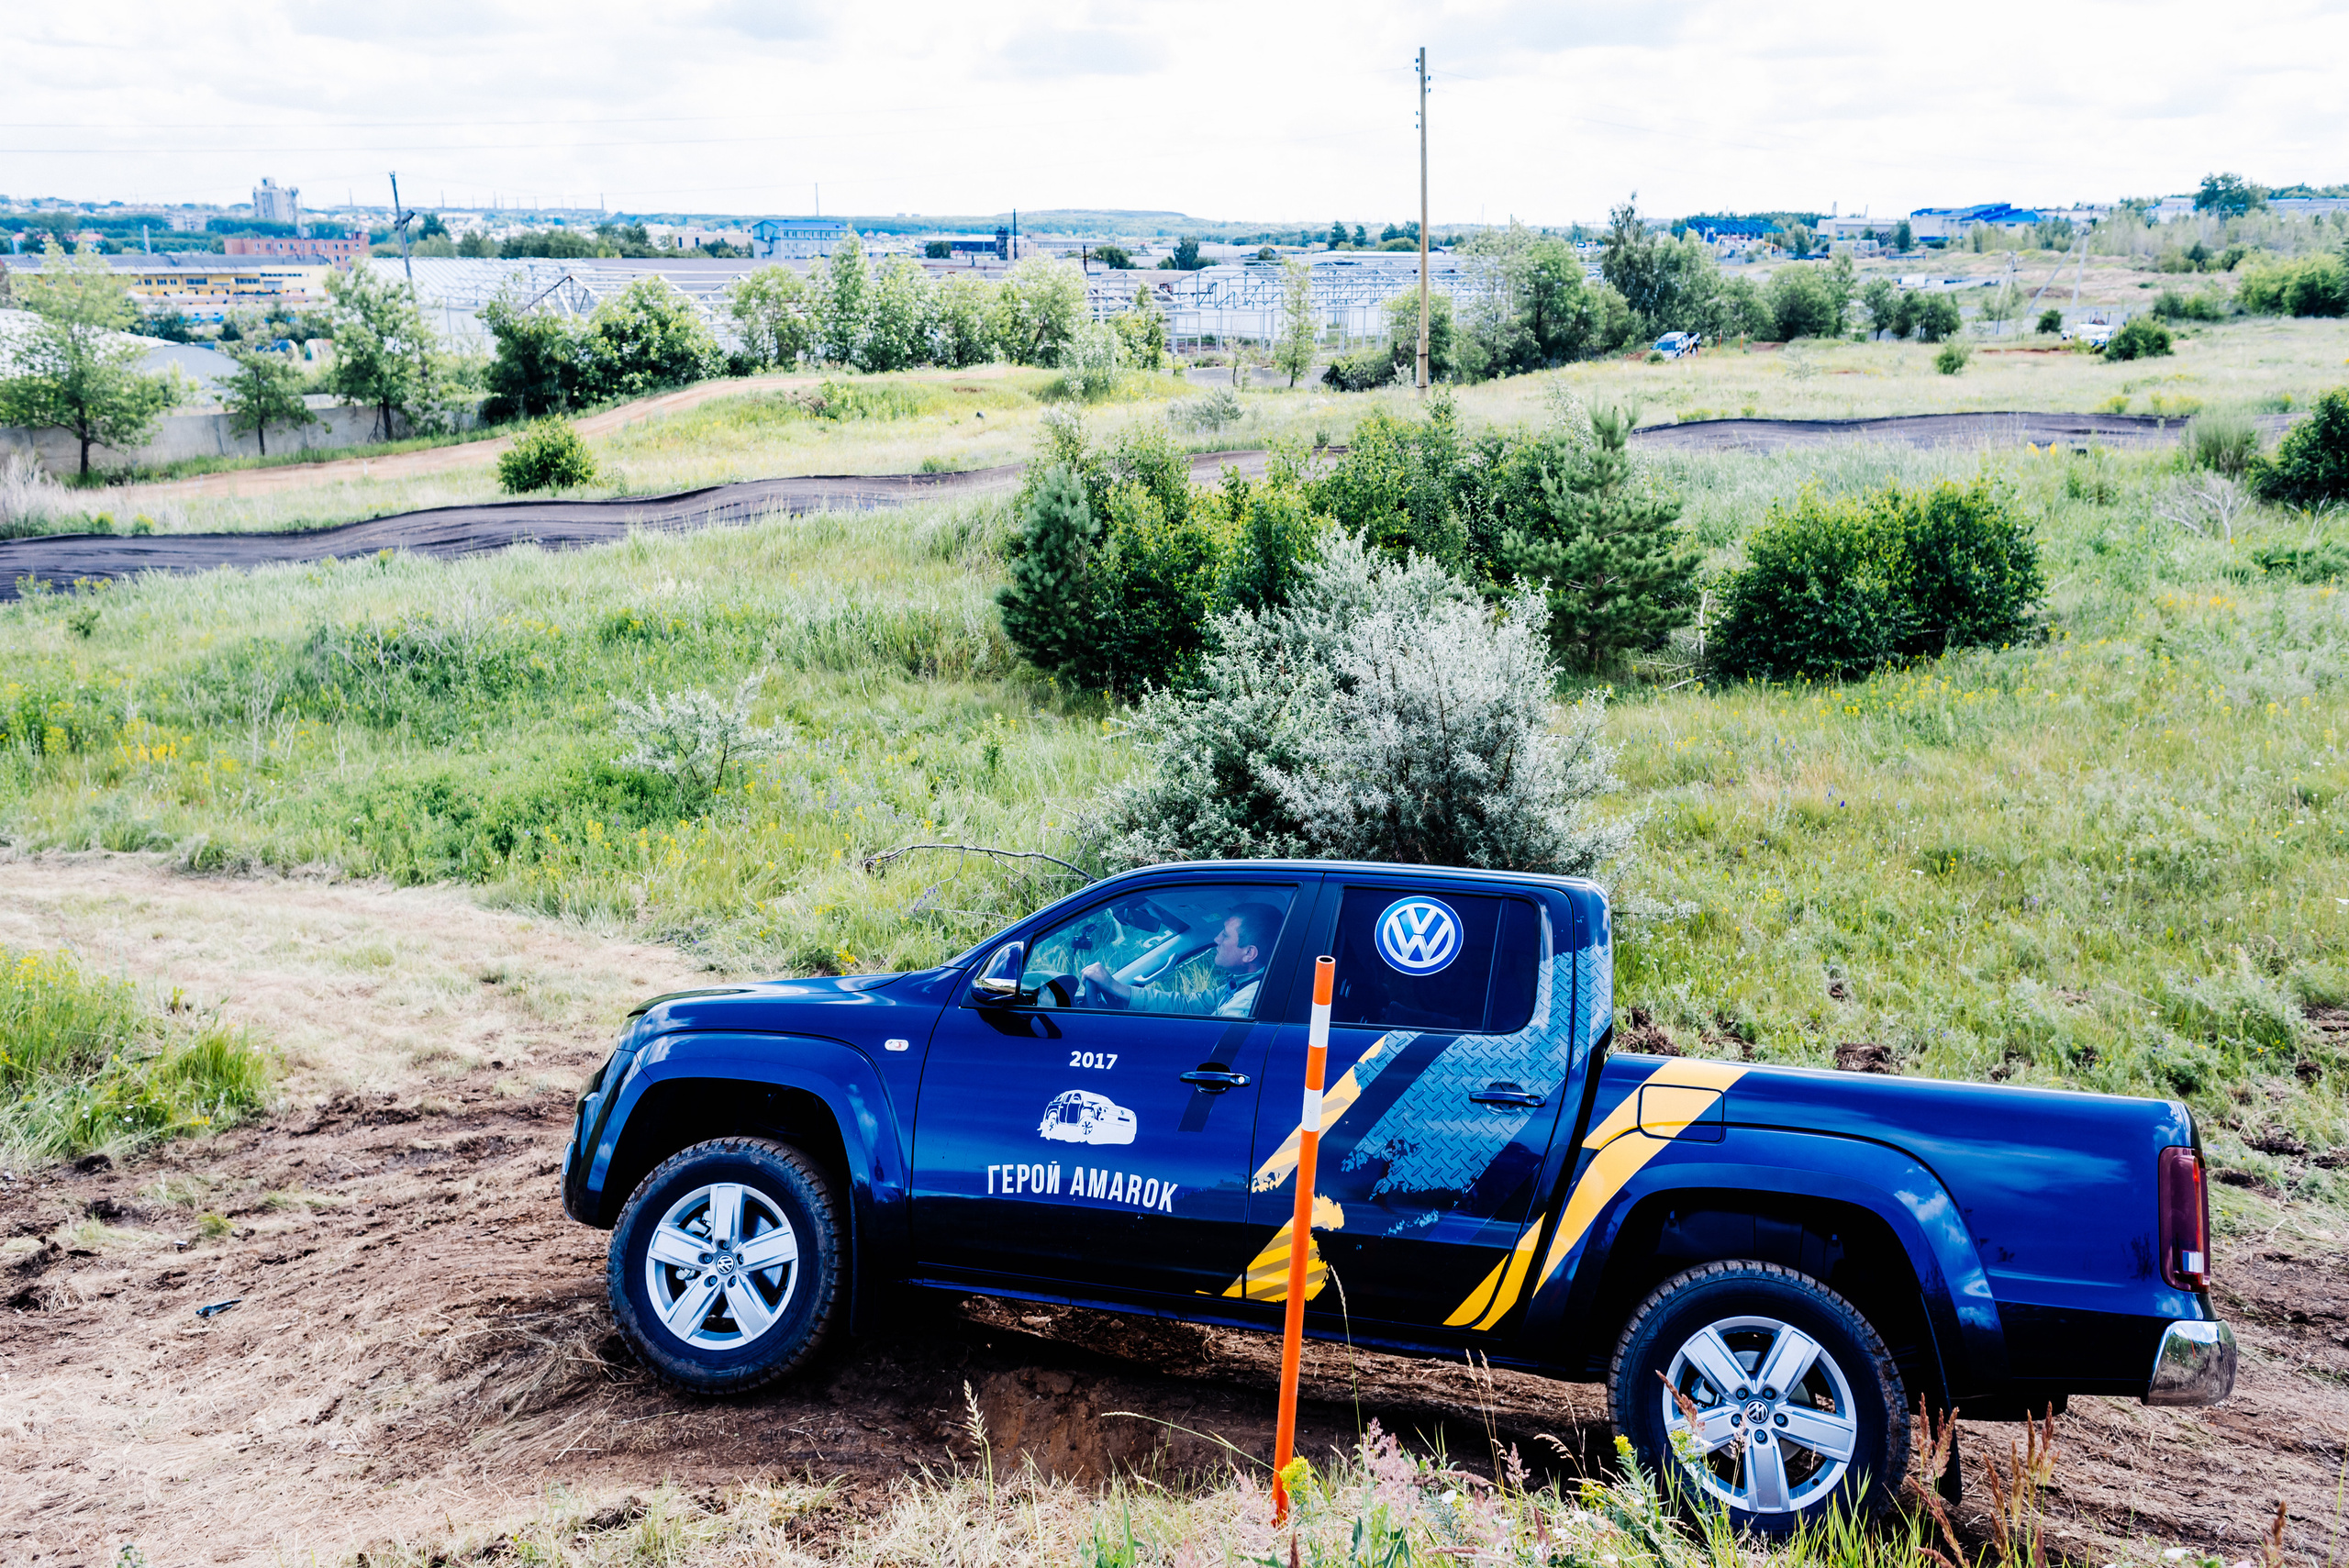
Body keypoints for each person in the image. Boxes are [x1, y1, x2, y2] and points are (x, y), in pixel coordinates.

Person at [1080, 902, 1282, 1018]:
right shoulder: (1239, 986)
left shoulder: (1247, 1002)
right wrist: (1116, 987)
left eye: (1225, 935)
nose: (1216, 939)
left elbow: (1206, 1041)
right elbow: (1185, 1005)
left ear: (1249, 953)